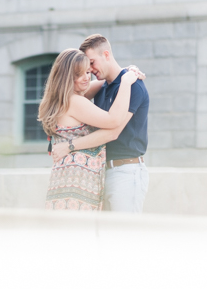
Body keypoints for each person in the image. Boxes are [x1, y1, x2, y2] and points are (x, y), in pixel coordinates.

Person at [51, 34, 150, 213]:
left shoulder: (133, 86)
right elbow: (65, 92)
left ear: (106, 54)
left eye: (92, 63)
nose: (90, 70)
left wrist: (69, 146)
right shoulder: (101, 87)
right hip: (100, 172)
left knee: (125, 235)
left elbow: (112, 131)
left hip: (125, 171)